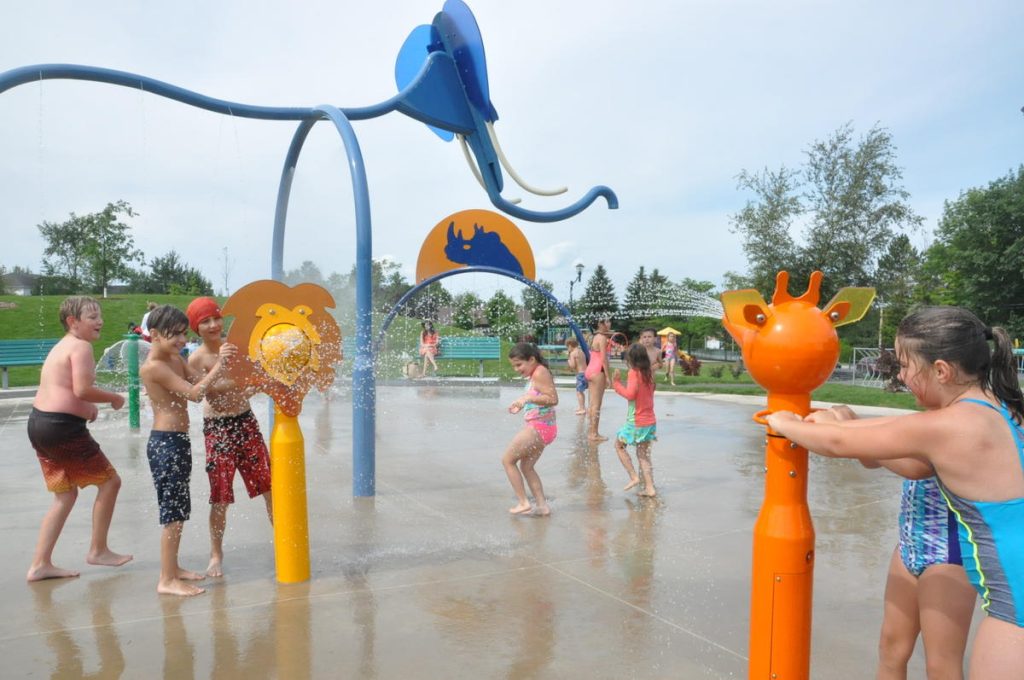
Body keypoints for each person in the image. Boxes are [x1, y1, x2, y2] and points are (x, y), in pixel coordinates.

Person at [767, 306, 1024, 679]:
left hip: (1014, 607)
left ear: (941, 370)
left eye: (905, 365)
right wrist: (843, 423)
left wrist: (782, 421)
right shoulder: (998, 410)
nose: (900, 375)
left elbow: (838, 443)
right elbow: (888, 436)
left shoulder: (950, 425)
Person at [806, 405, 975, 679]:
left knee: (941, 663)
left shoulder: (961, 424)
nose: (906, 383)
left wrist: (846, 430)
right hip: (909, 546)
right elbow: (873, 459)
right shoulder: (922, 420)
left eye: (910, 377)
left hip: (948, 555)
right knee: (891, 648)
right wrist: (854, 427)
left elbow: (913, 467)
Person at [26, 296, 131, 581]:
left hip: (40, 425)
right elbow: (82, 389)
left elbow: (65, 390)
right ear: (73, 321)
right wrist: (113, 398)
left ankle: (40, 564)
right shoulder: (81, 346)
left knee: (65, 495)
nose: (100, 321)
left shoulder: (63, 346)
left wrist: (86, 409)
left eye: (100, 316)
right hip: (62, 428)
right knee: (110, 483)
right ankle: (98, 550)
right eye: (92, 317)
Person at [140, 304, 235, 596]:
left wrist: (244, 384)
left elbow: (202, 383)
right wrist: (219, 364)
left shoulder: (174, 358)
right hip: (165, 444)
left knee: (180, 510)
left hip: (178, 441)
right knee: (172, 515)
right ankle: (166, 580)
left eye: (183, 333)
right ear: (155, 334)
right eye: (175, 335)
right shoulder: (154, 367)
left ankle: (173, 568)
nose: (182, 340)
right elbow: (194, 394)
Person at [186, 297, 273, 578]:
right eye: (205, 322)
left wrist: (258, 385)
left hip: (246, 423)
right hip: (218, 429)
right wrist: (220, 364)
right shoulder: (196, 359)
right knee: (220, 496)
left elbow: (253, 382)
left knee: (269, 486)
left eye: (216, 318)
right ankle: (216, 554)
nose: (213, 325)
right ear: (196, 328)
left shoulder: (237, 348)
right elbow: (199, 394)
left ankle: (284, 541)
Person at [504, 342, 557, 516]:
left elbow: (552, 399)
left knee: (508, 460)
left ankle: (523, 502)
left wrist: (527, 399)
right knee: (527, 467)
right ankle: (542, 506)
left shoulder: (540, 372)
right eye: (514, 366)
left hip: (539, 427)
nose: (516, 369)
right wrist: (522, 404)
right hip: (543, 427)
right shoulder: (536, 373)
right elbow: (538, 396)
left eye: (519, 364)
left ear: (532, 359)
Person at [612, 344, 658, 497]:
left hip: (636, 421)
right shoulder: (649, 373)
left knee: (619, 446)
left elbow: (630, 395)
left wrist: (616, 383)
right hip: (650, 420)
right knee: (643, 454)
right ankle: (650, 488)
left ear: (631, 359)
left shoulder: (634, 373)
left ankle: (633, 476)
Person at [584, 318, 612, 441]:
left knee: (591, 404)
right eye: (607, 322)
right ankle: (594, 434)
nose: (610, 324)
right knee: (596, 404)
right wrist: (608, 376)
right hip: (598, 371)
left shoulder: (594, 337)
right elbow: (604, 359)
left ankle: (591, 431)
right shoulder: (602, 338)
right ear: (600, 324)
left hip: (590, 370)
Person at [565, 337, 587, 416]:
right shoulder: (581, 351)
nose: (568, 349)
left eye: (567, 347)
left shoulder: (573, 353)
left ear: (570, 345)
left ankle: (582, 408)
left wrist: (568, 360)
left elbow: (573, 365)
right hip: (586, 373)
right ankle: (582, 407)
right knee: (581, 392)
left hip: (580, 375)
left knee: (579, 392)